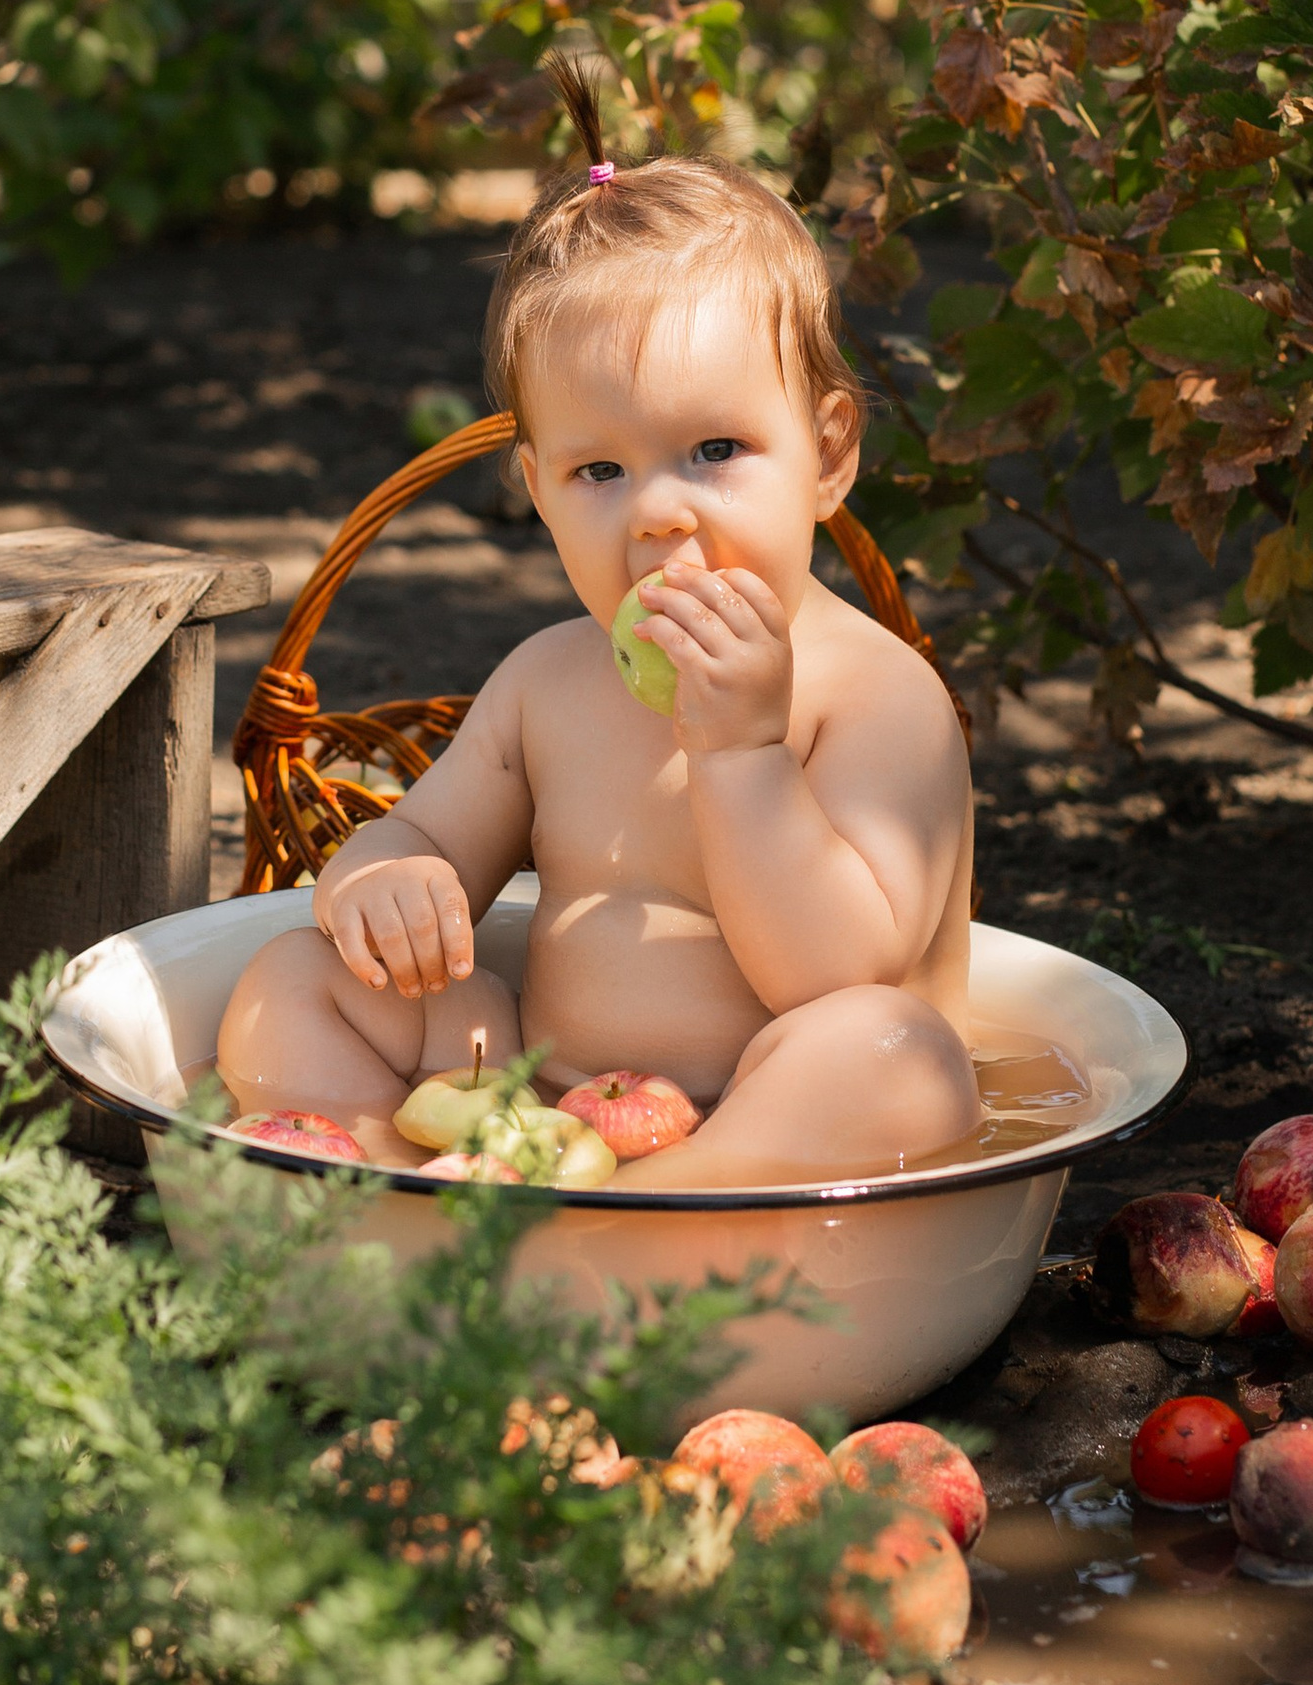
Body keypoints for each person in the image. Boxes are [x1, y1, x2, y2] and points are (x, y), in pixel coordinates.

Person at [216, 72, 981, 1185]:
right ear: (535, 488)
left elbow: (830, 980)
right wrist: (380, 883)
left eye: (715, 451)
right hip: (543, 1106)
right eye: (599, 470)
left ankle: (636, 1225)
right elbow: (426, 842)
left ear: (826, 453)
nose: (657, 508)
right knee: (293, 978)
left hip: (769, 1132)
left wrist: (744, 754)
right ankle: (391, 1187)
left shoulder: (876, 696)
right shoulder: (546, 683)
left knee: (890, 1054)